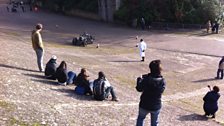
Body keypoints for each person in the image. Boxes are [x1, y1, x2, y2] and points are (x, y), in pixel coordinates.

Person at [136, 60, 166, 126]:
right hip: (156, 105)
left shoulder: (146, 79)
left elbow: (139, 89)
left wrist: (139, 80)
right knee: (154, 123)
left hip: (144, 104)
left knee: (140, 119)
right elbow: (161, 91)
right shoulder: (162, 81)